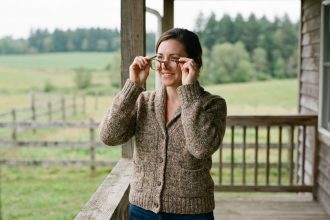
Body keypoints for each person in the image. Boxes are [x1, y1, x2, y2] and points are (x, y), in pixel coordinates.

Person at [99, 28, 227, 220]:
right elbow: (109, 136)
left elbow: (201, 148)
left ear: (194, 63)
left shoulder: (212, 104)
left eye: (174, 59)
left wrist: (189, 90)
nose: (164, 66)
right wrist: (132, 86)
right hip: (142, 211)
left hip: (192, 213)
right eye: (159, 58)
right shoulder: (143, 101)